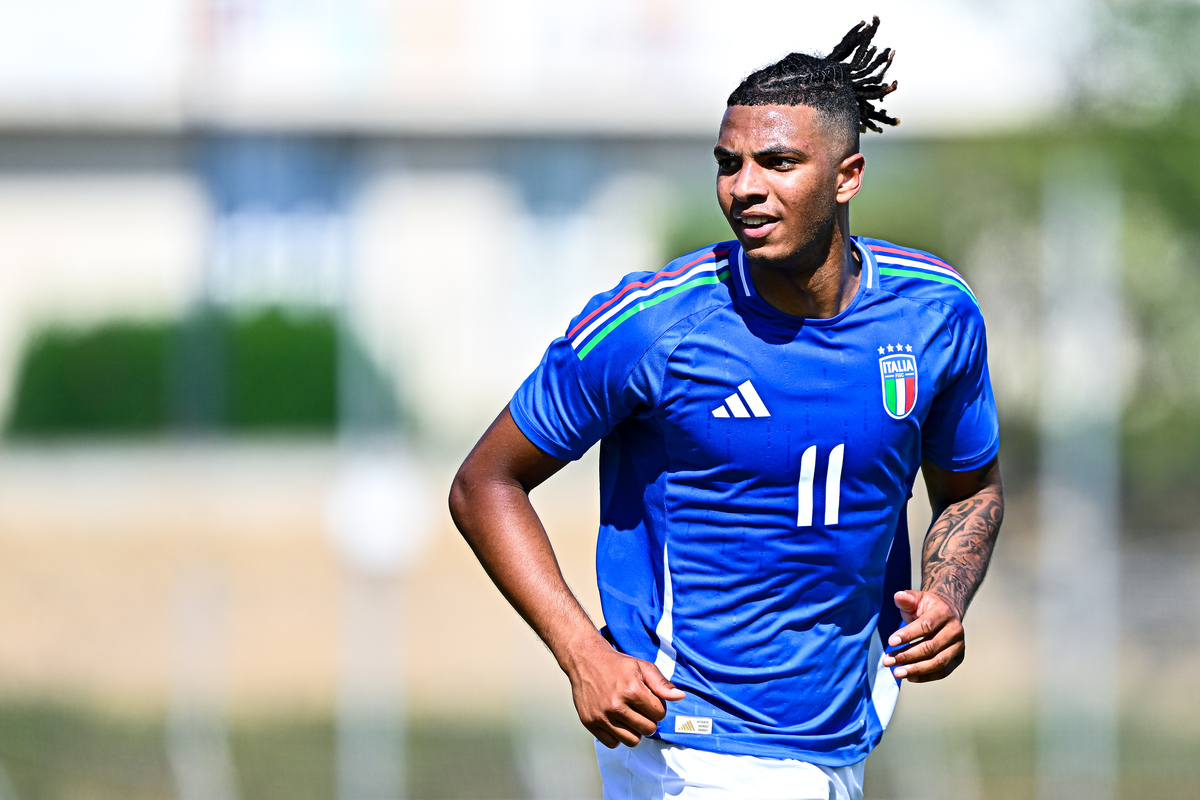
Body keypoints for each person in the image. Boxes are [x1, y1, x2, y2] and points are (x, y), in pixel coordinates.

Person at [449, 17, 1004, 800]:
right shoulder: (655, 323)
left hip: (839, 733)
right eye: (728, 163)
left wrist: (947, 593)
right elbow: (484, 483)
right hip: (691, 742)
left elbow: (971, 489)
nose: (745, 187)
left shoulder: (936, 313)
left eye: (777, 162)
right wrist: (583, 653)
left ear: (847, 176)